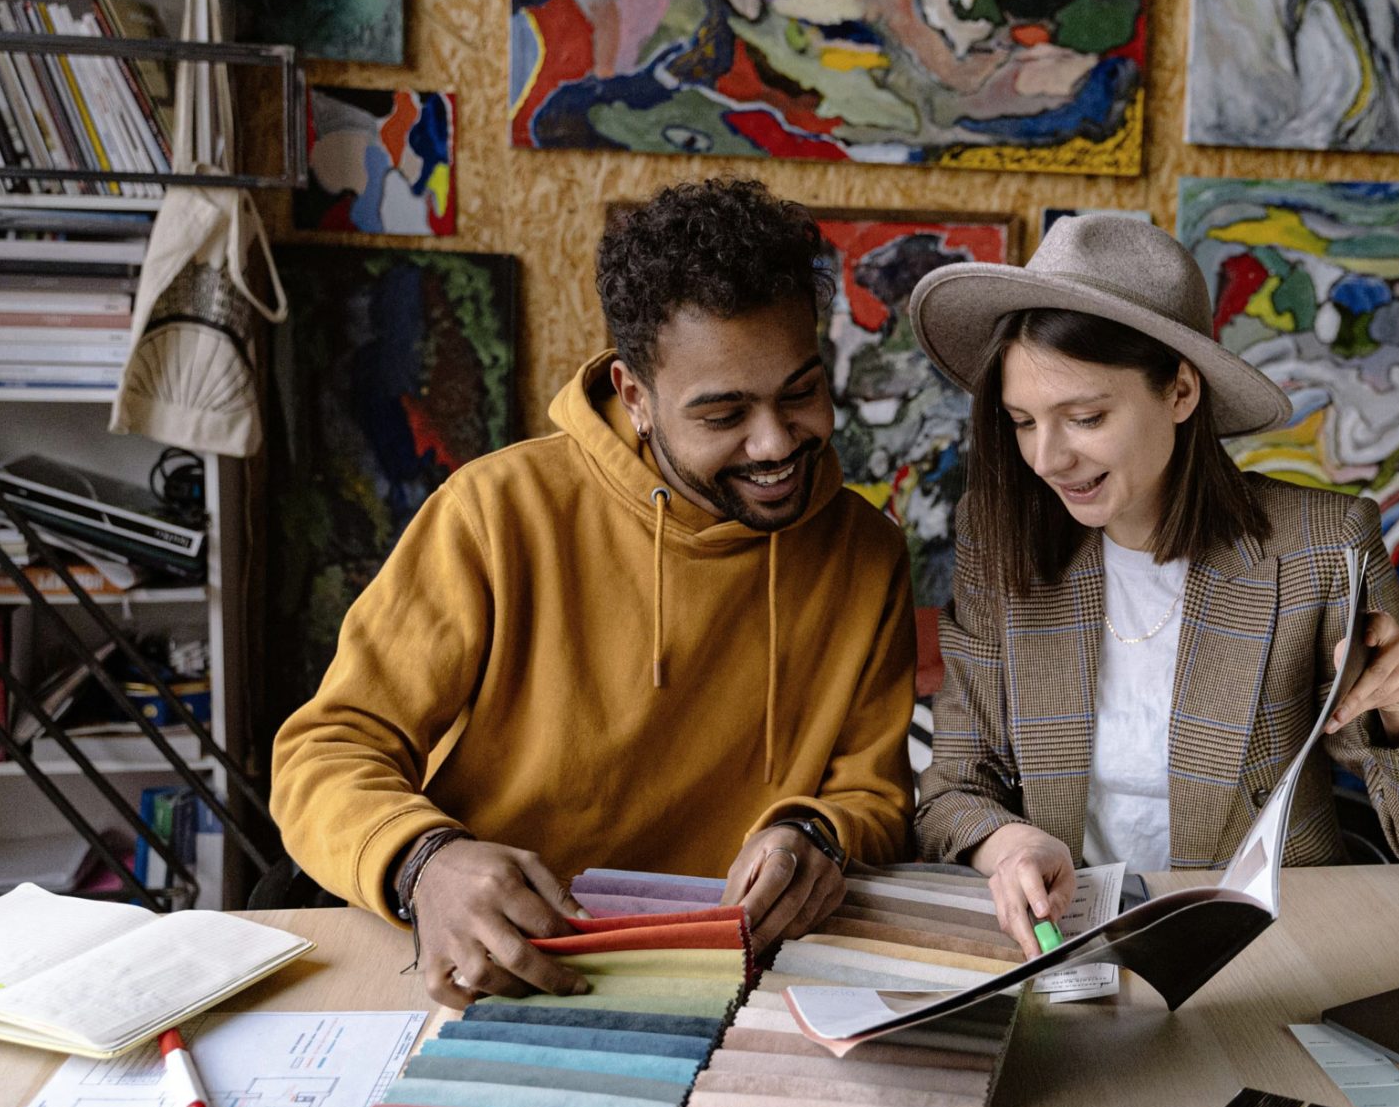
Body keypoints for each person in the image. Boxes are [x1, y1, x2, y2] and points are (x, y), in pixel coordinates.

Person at [271, 179, 916, 1006]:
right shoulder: (495, 513)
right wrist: (423, 862)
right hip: (496, 970)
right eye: (724, 415)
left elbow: (873, 794)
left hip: (736, 978)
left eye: (800, 393)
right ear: (635, 396)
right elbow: (325, 753)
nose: (774, 444)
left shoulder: (867, 553)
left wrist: (816, 835)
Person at [909, 214, 1399, 954]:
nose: (1047, 459)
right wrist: (1011, 846)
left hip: (1275, 949)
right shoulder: (998, 538)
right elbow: (953, 791)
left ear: (1181, 392)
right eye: (1023, 422)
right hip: (1064, 944)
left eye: (1085, 417)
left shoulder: (1320, 547)